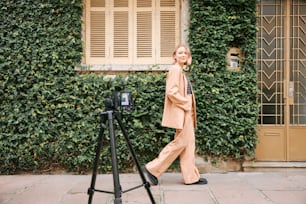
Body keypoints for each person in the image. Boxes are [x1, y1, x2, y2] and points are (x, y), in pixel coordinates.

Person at [143, 45, 207, 185]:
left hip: (186, 111)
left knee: (188, 145)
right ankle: (153, 168)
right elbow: (171, 92)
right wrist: (186, 104)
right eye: (180, 52)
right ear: (174, 56)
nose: (183, 55)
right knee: (181, 142)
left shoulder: (180, 71)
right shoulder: (175, 70)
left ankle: (191, 177)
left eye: (185, 52)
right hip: (183, 111)